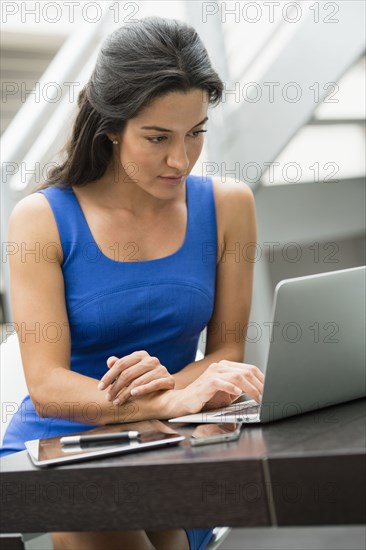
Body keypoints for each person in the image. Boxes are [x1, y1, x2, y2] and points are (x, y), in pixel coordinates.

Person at [1, 16, 264, 550]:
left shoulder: (230, 205)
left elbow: (228, 348)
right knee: (88, 500)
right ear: (111, 126)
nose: (181, 159)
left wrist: (171, 401)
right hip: (60, 447)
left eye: (196, 134)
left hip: (168, 441)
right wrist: (169, 398)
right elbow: (47, 386)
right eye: (157, 137)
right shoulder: (41, 219)